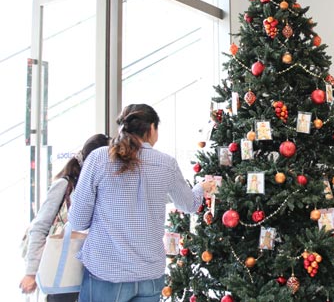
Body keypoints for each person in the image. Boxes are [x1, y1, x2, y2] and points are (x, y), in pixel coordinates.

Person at [68, 104, 215, 302]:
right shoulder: (166, 163)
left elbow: (78, 221)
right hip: (150, 275)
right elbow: (188, 205)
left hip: (107, 273)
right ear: (152, 128)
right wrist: (201, 187)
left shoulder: (99, 158)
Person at [19, 133, 111, 301]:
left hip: (92, 274)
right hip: (65, 272)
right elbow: (40, 226)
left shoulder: (105, 187)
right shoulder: (64, 185)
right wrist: (31, 272)